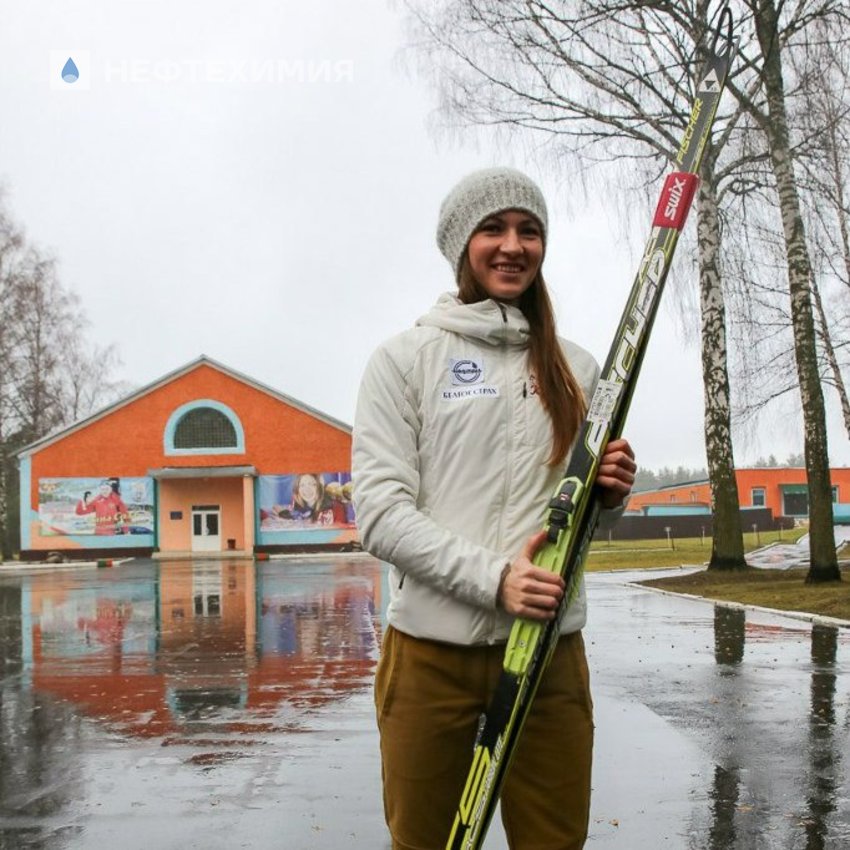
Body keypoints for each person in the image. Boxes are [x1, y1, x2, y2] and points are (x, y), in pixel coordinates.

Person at [352, 167, 636, 850]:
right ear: (462, 245)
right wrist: (495, 579)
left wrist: (610, 495)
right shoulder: (404, 360)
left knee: (553, 842)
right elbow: (380, 512)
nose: (513, 246)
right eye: (493, 229)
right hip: (431, 657)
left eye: (528, 231)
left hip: (547, 655)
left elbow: (579, 523)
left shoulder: (578, 369)